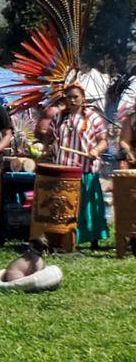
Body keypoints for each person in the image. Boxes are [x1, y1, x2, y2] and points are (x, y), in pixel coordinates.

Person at [44, 83, 109, 249]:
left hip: (85, 169)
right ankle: (66, 238)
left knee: (89, 206)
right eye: (69, 97)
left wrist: (95, 149)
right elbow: (50, 138)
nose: (72, 100)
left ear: (83, 98)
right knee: (66, 206)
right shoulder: (58, 118)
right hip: (64, 170)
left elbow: (103, 141)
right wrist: (47, 147)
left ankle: (94, 239)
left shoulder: (93, 118)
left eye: (75, 97)